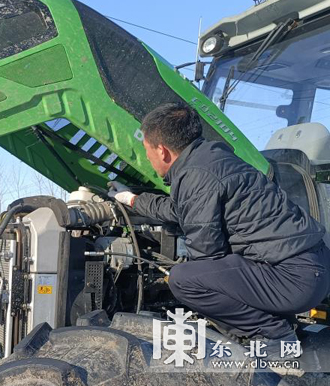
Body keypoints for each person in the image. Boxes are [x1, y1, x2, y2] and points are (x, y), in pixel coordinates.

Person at [109, 102, 330, 349]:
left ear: (162, 151)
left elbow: (206, 256)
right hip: (309, 269)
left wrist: (161, 287)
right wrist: (132, 199)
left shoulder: (197, 175)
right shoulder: (211, 160)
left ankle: (275, 337)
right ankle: (275, 329)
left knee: (184, 279)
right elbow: (180, 210)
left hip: (294, 279)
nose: (148, 158)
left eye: (147, 151)